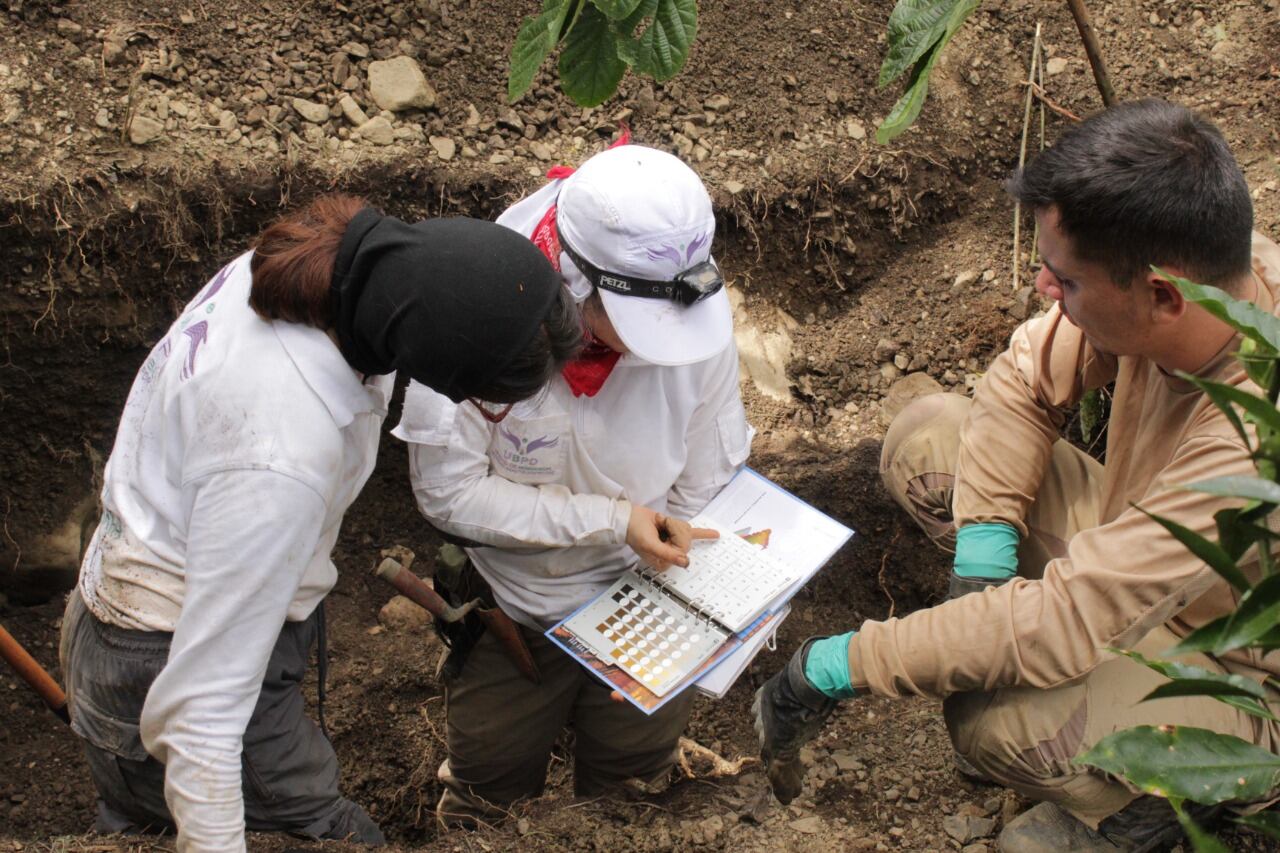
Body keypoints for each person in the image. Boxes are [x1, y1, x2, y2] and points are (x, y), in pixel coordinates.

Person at [753, 99, 1280, 851]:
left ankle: (1176, 796)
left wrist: (840, 664)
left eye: (1066, 280)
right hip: (1140, 560)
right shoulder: (1217, 271)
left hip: (1239, 672)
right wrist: (984, 562)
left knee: (994, 718)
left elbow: (1067, 617)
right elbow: (1025, 378)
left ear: (1163, 296)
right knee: (930, 436)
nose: (1042, 288)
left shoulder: (1253, 437)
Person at [60, 195, 581, 851]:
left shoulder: (334, 275)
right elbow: (200, 712)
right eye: (489, 404)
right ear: (442, 366)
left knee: (143, 818)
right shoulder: (278, 449)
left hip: (139, 608)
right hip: (160, 654)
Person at [394, 144, 753, 825]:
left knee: (631, 791)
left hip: (647, 595)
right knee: (489, 790)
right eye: (640, 326)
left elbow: (707, 482)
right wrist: (613, 519)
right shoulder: (473, 306)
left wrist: (669, 620)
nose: (658, 345)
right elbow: (449, 492)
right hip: (516, 602)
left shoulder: (687, 297)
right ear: (575, 281)